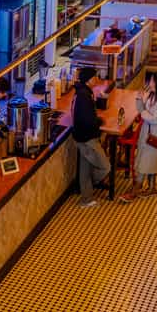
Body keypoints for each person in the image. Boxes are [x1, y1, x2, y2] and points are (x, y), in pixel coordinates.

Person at [119, 73, 157, 202]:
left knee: (144, 163)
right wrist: (140, 100)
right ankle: (152, 188)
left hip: (153, 137)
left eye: (151, 80)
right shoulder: (153, 95)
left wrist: (141, 109)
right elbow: (144, 110)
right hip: (148, 135)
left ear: (156, 83)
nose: (148, 82)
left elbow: (153, 118)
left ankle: (134, 191)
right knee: (150, 162)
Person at [71, 67, 110, 207]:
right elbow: (88, 120)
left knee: (85, 169)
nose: (97, 79)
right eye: (95, 77)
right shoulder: (84, 96)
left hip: (80, 136)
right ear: (88, 80)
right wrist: (99, 121)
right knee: (105, 167)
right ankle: (93, 184)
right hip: (87, 139)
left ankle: (86, 199)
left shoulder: (82, 92)